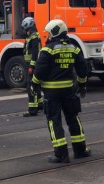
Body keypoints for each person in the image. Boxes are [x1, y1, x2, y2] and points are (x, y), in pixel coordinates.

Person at [32, 19, 91, 163]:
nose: (48, 36)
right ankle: (80, 150)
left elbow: (39, 71)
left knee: (54, 122)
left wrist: (34, 85)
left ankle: (61, 154)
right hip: (70, 91)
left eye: (49, 33)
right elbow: (83, 70)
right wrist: (82, 86)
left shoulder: (48, 50)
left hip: (52, 93)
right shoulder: (74, 48)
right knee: (73, 119)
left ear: (54, 32)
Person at [21, 17, 43, 117]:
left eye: (25, 28)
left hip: (32, 64)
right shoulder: (31, 36)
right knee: (36, 85)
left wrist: (31, 66)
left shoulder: (34, 38)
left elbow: (35, 53)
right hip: (31, 64)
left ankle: (32, 110)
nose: (24, 31)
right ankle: (40, 105)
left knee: (31, 86)